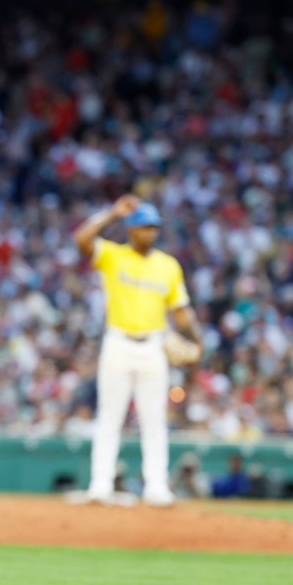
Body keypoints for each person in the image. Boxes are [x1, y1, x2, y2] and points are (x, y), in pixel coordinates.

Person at [72, 195, 203, 507]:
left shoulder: (168, 266)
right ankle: (100, 485)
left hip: (154, 345)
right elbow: (82, 239)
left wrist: (197, 341)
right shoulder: (114, 256)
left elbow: (181, 311)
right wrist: (112, 213)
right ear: (131, 230)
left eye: (154, 227)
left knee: (154, 419)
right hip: (118, 342)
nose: (150, 233)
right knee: (110, 418)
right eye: (144, 227)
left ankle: (156, 486)